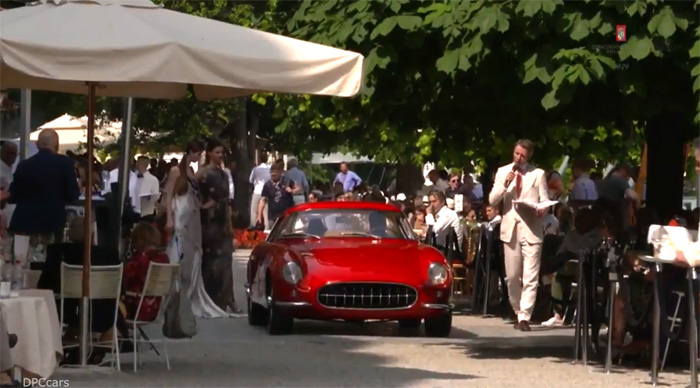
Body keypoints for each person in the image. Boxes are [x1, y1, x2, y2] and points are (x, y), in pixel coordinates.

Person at [488, 139, 549, 331]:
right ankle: (516, 310)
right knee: (513, 276)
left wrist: (543, 210)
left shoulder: (538, 174)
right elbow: (492, 200)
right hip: (510, 229)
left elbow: (545, 199)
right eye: (516, 154)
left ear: (529, 155)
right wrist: (506, 183)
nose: (518, 158)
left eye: (522, 155)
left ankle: (525, 316)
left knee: (531, 275)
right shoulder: (502, 172)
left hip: (531, 228)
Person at [164, 139, 227, 319]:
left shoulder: (192, 171)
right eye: (197, 154)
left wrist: (204, 205)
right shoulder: (177, 171)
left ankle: (188, 295)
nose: (198, 157)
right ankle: (175, 297)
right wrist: (169, 217)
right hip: (180, 213)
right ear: (190, 152)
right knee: (178, 254)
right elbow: (169, 195)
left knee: (192, 255)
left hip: (191, 213)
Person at [9, 129, 80, 263]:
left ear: (37, 144)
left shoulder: (24, 165)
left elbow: (13, 195)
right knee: (51, 262)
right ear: (57, 145)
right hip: (52, 223)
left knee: (22, 263)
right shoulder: (65, 163)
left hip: (24, 223)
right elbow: (73, 194)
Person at [198, 139, 239, 314]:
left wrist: (229, 224)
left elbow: (226, 202)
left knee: (224, 260)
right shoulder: (206, 173)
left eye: (222, 152)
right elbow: (203, 197)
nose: (220, 155)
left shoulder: (221, 173)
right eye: (217, 152)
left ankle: (226, 298)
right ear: (208, 153)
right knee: (212, 262)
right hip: (210, 221)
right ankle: (217, 298)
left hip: (220, 220)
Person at [121, 222, 169, 321]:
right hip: (155, 309)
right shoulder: (164, 258)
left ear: (139, 241)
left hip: (135, 308)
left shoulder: (137, 261)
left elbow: (124, 283)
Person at [257, 161, 298, 228]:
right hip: (273, 216)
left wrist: (292, 190)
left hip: (286, 215)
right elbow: (262, 200)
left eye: (275, 172)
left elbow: (298, 188)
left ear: (280, 172)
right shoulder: (267, 185)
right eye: (271, 172)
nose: (273, 174)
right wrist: (259, 215)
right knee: (272, 234)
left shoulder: (286, 181)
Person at [130, 156, 160, 223]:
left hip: (146, 213)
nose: (137, 164)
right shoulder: (132, 176)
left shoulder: (153, 180)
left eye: (139, 162)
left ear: (145, 165)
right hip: (132, 210)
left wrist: (148, 197)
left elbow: (156, 196)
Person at [249, 152, 271, 228]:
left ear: (259, 159)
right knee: (265, 212)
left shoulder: (256, 169)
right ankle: (267, 228)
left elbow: (250, 180)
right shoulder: (269, 169)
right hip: (266, 192)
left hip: (257, 191)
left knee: (254, 210)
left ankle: (253, 226)